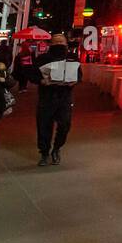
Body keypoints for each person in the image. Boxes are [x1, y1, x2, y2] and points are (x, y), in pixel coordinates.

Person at [36, 34, 81, 166]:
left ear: (66, 44)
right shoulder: (43, 58)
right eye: (56, 42)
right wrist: (41, 80)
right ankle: (44, 153)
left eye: (61, 42)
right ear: (51, 44)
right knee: (44, 126)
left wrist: (74, 81)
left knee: (65, 125)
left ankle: (56, 149)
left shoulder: (72, 58)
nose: (59, 44)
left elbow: (79, 75)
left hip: (64, 97)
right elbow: (33, 74)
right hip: (46, 97)